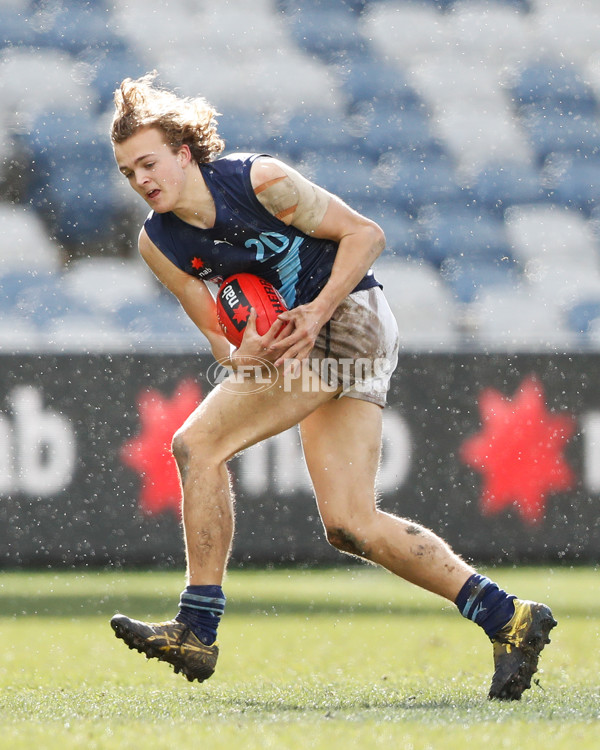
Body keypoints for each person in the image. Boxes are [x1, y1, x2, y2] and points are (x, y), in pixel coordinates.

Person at [109, 73, 556, 700]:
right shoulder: (159, 243)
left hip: (351, 320)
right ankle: (509, 618)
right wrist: (243, 354)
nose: (141, 180)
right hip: (301, 342)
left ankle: (196, 627)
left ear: (185, 152)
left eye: (149, 162)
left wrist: (315, 311)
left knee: (197, 445)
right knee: (349, 524)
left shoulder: (258, 182)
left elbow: (366, 235)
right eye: (129, 172)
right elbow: (218, 336)